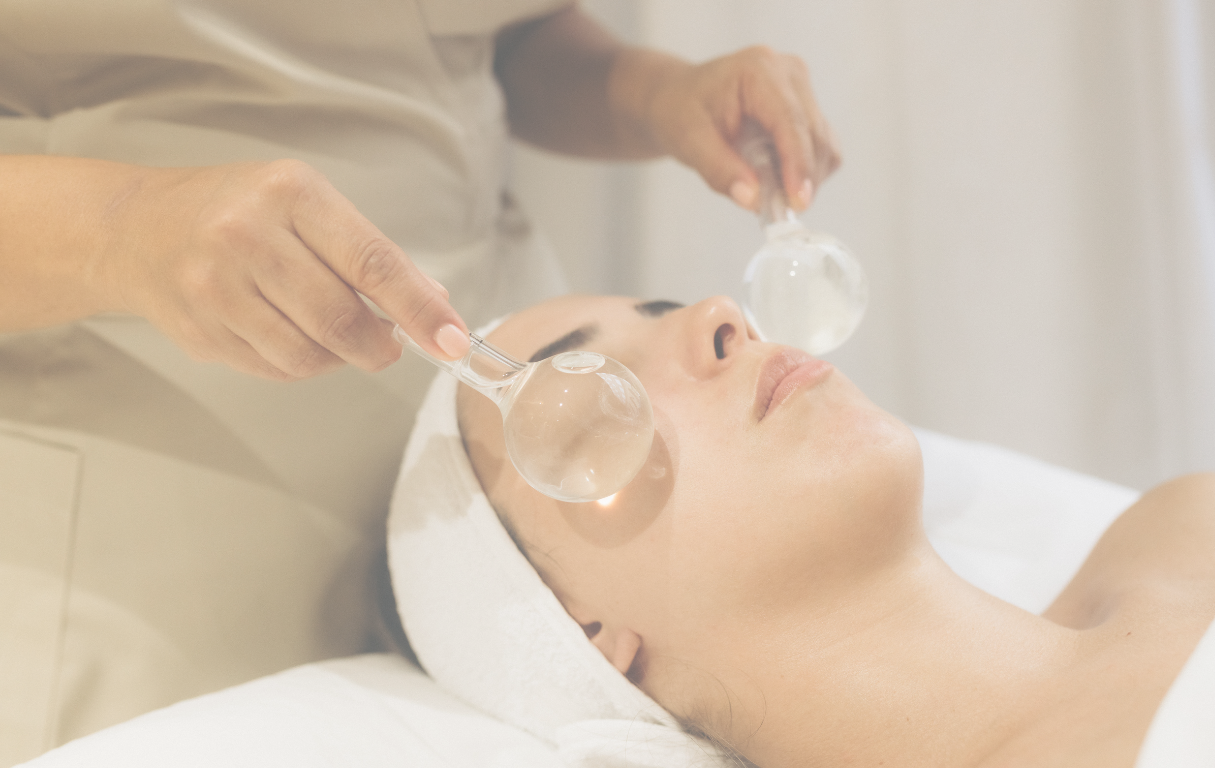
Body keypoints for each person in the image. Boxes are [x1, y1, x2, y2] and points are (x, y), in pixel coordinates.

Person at [0, 2, 839, 760]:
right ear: (589, 638)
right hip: (159, 483)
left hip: (485, 445)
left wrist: (650, 92)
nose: (723, 314)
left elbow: (461, 37)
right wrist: (116, 229)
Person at [453, 293, 1215, 767]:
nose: (718, 313)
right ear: (579, 634)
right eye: (572, 405)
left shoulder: (1201, 528)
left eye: (663, 307)